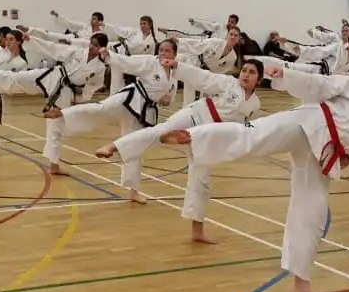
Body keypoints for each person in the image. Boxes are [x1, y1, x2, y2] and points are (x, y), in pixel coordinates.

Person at [163, 56, 349, 292]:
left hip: (322, 154)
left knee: (313, 213)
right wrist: (286, 75)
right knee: (255, 135)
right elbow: (318, 83)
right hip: (307, 126)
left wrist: (347, 158)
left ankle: (301, 285)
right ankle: (193, 137)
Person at [97, 59, 264, 242]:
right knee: (159, 131)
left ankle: (197, 231)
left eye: (252, 72)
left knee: (202, 182)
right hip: (195, 115)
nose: (246, 75)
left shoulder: (254, 104)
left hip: (206, 136)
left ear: (259, 80)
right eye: (244, 70)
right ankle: (114, 146)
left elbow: (240, 129)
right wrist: (178, 66)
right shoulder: (228, 83)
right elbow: (203, 77)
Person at [54, 39, 181, 203]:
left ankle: (133, 191)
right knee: (101, 108)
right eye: (161, 50)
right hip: (130, 97)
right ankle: (64, 114)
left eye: (167, 51)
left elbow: (169, 98)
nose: (163, 54)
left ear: (175, 54)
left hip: (143, 112)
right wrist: (110, 56)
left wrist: (166, 100)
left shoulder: (175, 74)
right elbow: (128, 62)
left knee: (135, 147)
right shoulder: (150, 62)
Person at [0, 32, 111, 173]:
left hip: (65, 92)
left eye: (96, 45)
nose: (91, 46)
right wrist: (33, 39)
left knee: (56, 127)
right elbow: (53, 48)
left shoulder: (99, 68)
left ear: (102, 48)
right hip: (52, 76)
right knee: (18, 78)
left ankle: (54, 166)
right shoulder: (78, 52)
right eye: (91, 43)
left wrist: (82, 95)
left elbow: (94, 86)